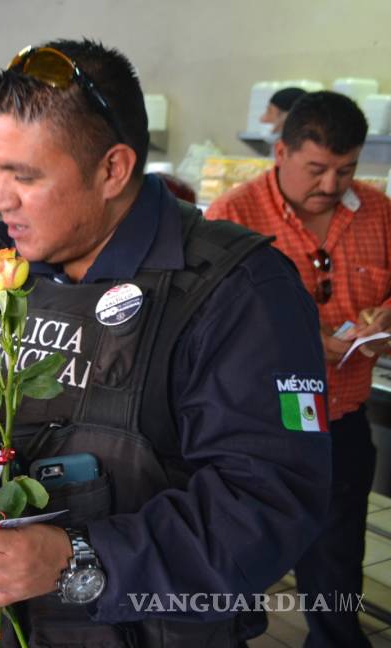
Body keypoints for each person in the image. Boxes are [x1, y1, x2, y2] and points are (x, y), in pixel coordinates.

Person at [0, 39, 331, 647]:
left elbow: (270, 505)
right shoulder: (6, 265)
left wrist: (77, 558)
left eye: (26, 175)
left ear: (113, 169)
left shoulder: (240, 293)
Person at [207, 90, 391, 648]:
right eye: (316, 169)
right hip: (259, 426)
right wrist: (301, 343)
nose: (332, 186)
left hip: (342, 417)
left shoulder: (378, 212)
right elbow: (210, 328)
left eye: (346, 170)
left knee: (336, 555)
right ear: (281, 153)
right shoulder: (232, 218)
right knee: (239, 549)